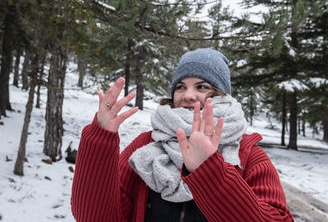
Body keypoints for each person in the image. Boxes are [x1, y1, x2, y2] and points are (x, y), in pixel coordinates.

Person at [71, 48, 294, 221]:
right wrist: (100, 138)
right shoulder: (146, 145)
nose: (188, 95)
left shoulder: (248, 156)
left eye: (202, 86)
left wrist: (209, 171)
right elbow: (95, 217)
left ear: (221, 96)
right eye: (180, 86)